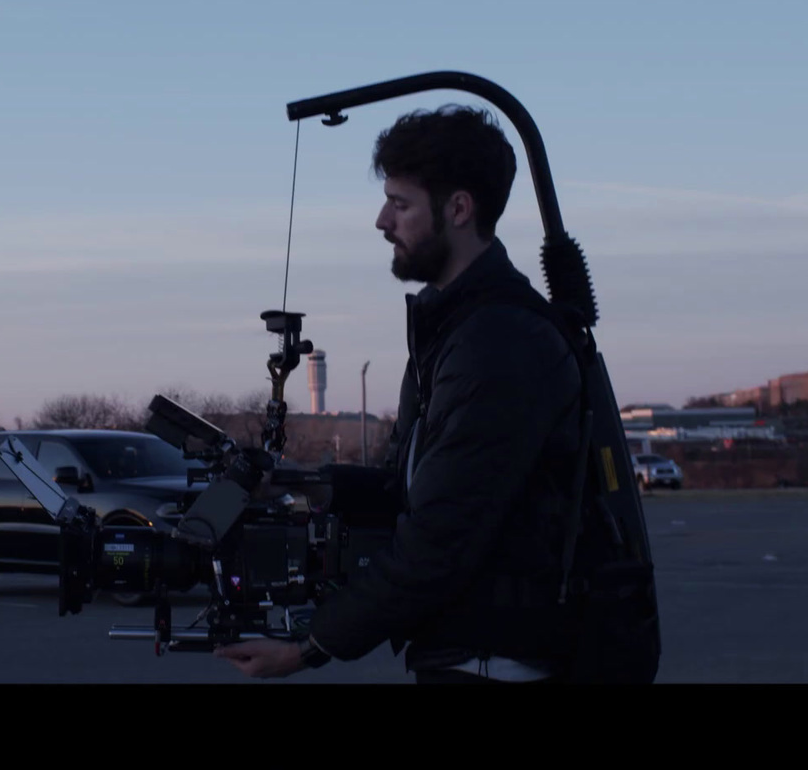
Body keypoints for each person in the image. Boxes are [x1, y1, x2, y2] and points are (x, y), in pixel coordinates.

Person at [214, 104, 584, 683]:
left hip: (498, 662)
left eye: (401, 203)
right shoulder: (454, 329)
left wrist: (308, 646)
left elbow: (440, 537)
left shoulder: (499, 343)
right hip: (465, 656)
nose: (382, 221)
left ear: (459, 208)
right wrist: (301, 482)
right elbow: (409, 491)